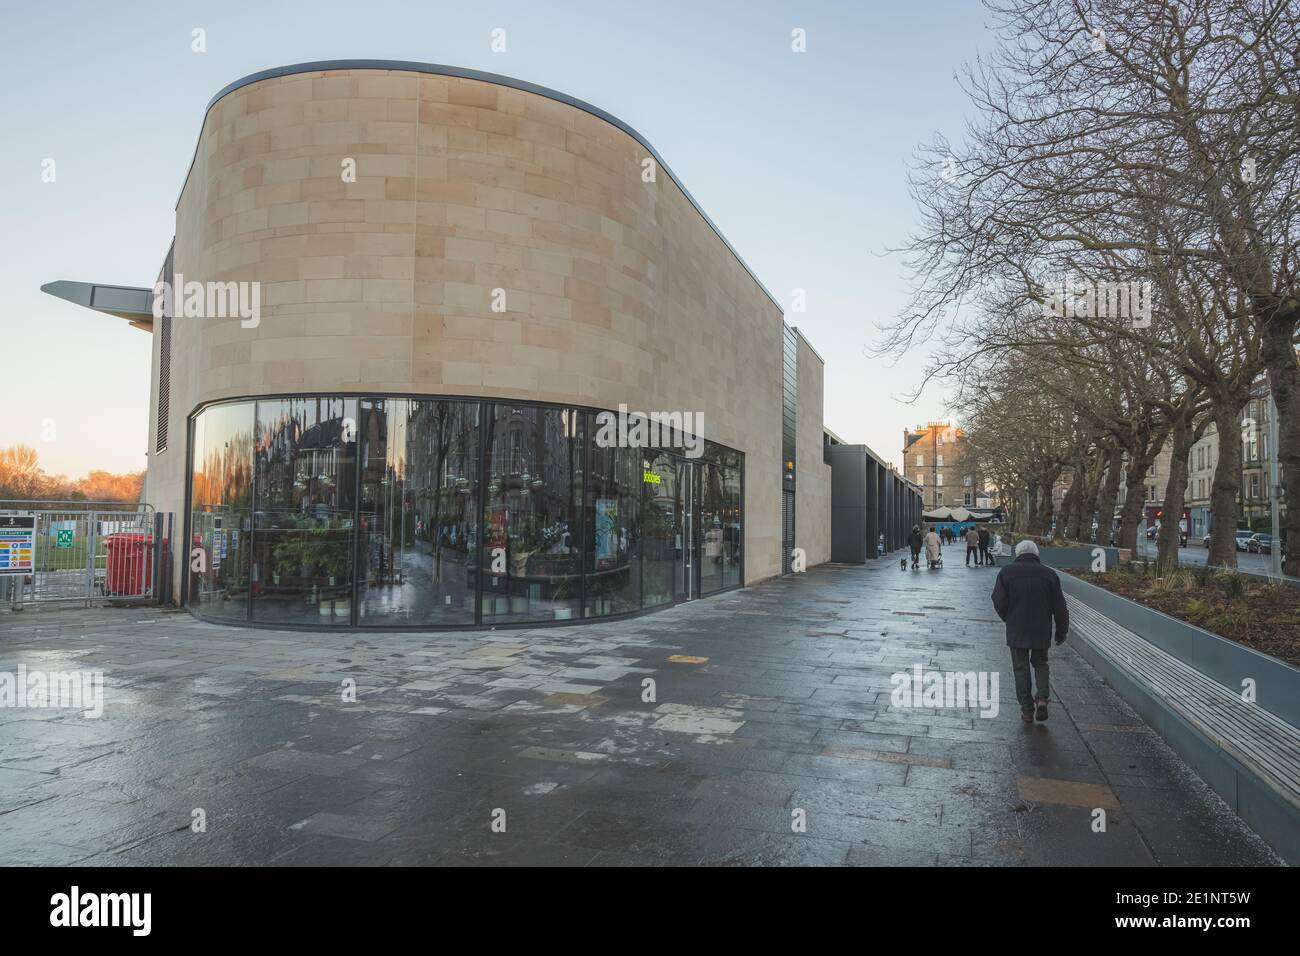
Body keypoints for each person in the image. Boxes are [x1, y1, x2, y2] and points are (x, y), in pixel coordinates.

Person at [991, 540, 1069, 723]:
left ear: (1017, 553)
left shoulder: (1007, 573)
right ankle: (1042, 698)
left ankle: (1026, 709)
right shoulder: (1049, 575)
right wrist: (1061, 631)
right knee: (1041, 663)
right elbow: (1060, 606)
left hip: (1017, 628)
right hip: (1041, 628)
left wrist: (1008, 617)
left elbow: (998, 600)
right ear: (1036, 554)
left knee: (1021, 668)